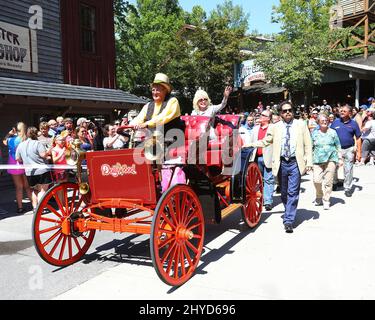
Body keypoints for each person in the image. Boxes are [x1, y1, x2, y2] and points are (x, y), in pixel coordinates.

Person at [245, 101, 313, 233]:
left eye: (289, 110)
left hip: (295, 163)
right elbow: (266, 141)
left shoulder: (301, 125)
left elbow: (308, 144)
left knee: (293, 192)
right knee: (284, 192)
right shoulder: (274, 127)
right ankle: (289, 210)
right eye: (284, 111)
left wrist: (309, 162)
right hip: (281, 163)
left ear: (292, 111)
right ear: (280, 113)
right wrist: (251, 145)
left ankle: (288, 220)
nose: (287, 112)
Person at [129, 73, 183, 192]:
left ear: (165, 90)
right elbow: (139, 118)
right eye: (153, 89)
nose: (155, 92)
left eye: (158, 89)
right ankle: (142, 184)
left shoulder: (172, 102)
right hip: (153, 142)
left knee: (155, 150)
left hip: (171, 140)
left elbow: (163, 118)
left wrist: (147, 124)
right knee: (134, 152)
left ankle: (165, 185)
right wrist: (129, 125)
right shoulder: (148, 105)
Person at [15, 127, 52, 212]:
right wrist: (49, 151)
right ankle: (41, 208)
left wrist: (25, 160)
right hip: (42, 170)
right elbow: (43, 155)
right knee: (42, 190)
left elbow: (17, 158)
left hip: (29, 172)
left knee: (34, 190)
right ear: (36, 134)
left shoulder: (21, 144)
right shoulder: (38, 143)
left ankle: (35, 207)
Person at [311, 113, 342, 210]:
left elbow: (338, 145)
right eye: (322, 121)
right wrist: (308, 161)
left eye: (326, 120)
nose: (324, 122)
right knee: (317, 180)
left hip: (331, 159)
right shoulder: (314, 133)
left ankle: (326, 200)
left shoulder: (333, 132)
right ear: (318, 122)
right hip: (317, 160)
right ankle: (319, 195)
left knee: (328, 181)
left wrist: (340, 158)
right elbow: (310, 147)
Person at [331, 104, 361, 197]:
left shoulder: (353, 123)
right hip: (336, 149)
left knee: (348, 168)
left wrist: (358, 151)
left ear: (350, 113)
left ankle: (347, 187)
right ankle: (335, 182)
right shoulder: (335, 122)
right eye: (341, 111)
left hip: (349, 148)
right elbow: (330, 134)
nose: (342, 112)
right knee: (334, 167)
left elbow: (358, 137)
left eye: (344, 111)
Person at [2, 122, 32, 213]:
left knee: (19, 187)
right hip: (24, 163)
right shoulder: (25, 139)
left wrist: (9, 134)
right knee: (27, 187)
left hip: (13, 165)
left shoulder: (11, 140)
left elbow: (4, 141)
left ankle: (20, 208)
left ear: (15, 129)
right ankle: (35, 206)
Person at [249, 109, 274, 211]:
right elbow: (251, 143)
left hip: (268, 157)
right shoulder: (255, 129)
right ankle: (261, 198)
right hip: (256, 157)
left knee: (268, 179)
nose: (260, 116)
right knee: (259, 180)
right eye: (260, 114)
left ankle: (268, 201)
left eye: (263, 115)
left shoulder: (273, 128)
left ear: (268, 118)